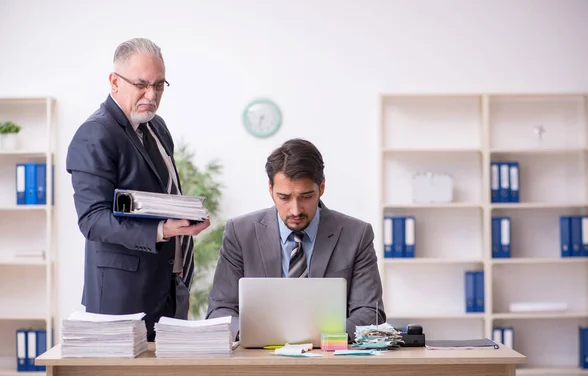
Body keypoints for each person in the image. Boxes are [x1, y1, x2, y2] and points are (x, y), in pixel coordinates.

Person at [66, 38, 210, 341]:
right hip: (123, 299)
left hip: (170, 289)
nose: (151, 95)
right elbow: (92, 220)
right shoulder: (95, 134)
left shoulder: (156, 127)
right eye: (142, 84)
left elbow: (164, 194)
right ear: (114, 82)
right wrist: (162, 230)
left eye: (159, 85)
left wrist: (187, 218)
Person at [206, 138, 385, 339]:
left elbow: (370, 312)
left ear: (322, 188)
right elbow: (220, 309)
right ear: (270, 189)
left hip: (330, 358)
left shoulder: (356, 235)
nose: (296, 209)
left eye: (306, 196)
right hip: (259, 359)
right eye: (284, 197)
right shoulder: (240, 233)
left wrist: (322, 338)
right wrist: (251, 334)